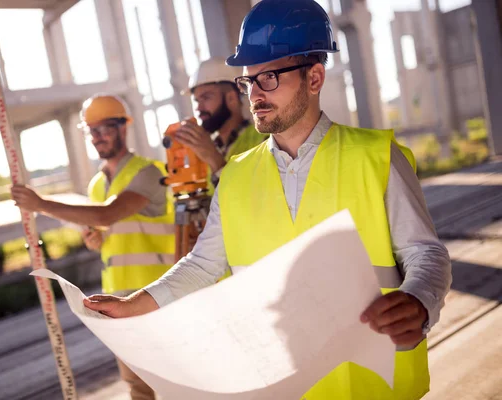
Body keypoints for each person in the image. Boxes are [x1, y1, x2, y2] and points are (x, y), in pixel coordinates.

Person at [83, 1, 452, 399]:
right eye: (248, 81)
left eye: (270, 77)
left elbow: (424, 253)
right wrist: (134, 303)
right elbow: (204, 265)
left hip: (370, 385)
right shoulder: (237, 173)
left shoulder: (376, 157)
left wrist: (418, 300)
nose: (255, 93)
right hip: (278, 385)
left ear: (314, 78)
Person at [12, 94, 173, 400]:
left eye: (105, 128)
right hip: (117, 301)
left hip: (156, 297)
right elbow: (111, 228)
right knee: (138, 389)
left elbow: (106, 214)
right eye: (92, 131)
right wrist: (97, 240)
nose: (98, 137)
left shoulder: (149, 172)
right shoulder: (97, 185)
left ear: (123, 128)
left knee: (175, 384)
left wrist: (41, 204)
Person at [175, 57, 268, 189]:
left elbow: (257, 196)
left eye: (206, 98)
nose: (198, 108)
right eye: (196, 101)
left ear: (231, 98)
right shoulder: (204, 148)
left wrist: (213, 158)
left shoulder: (264, 139)